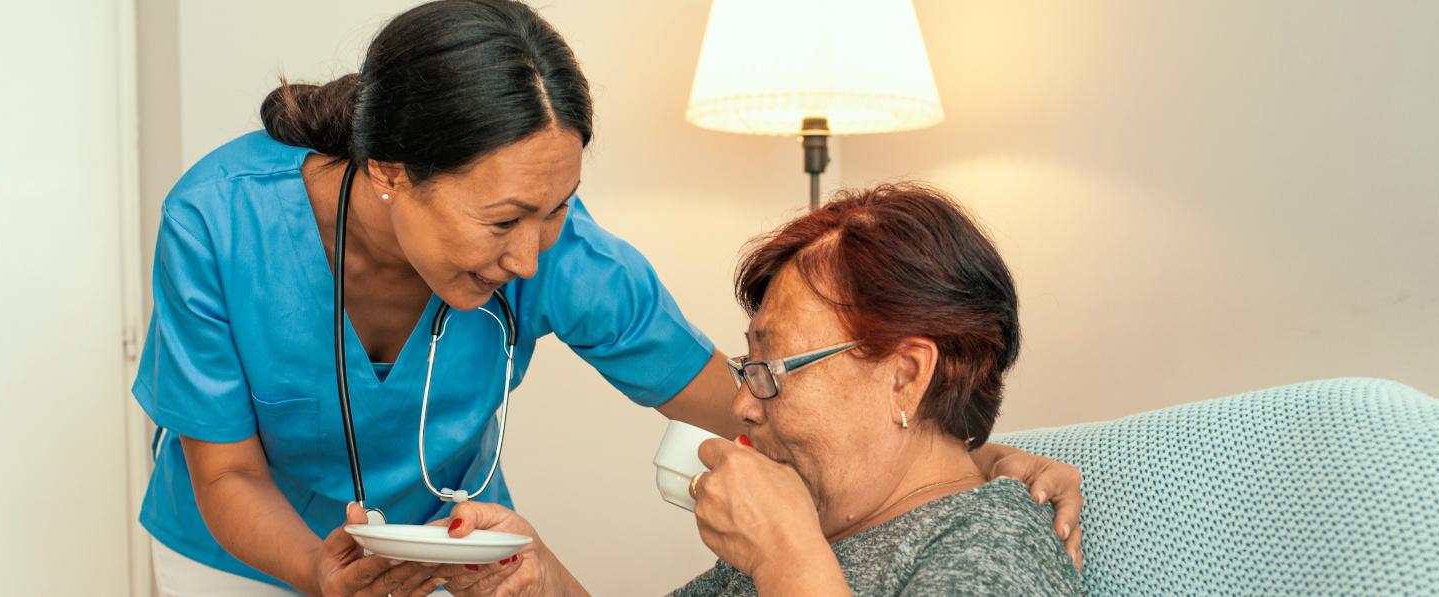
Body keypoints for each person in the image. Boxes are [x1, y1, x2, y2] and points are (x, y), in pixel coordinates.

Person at [134, 1, 1087, 595]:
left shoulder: (559, 249)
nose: (533, 252)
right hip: (252, 551)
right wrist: (316, 570)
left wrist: (952, 444)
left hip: (455, 552)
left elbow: (734, 392)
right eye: (505, 217)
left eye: (558, 208)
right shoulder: (220, 223)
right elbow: (226, 474)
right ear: (389, 174)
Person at [440, 183, 1084, 596]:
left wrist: (785, 559)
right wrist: (541, 578)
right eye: (748, 367)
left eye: (772, 370)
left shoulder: (988, 542)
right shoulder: (819, 527)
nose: (742, 405)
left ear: (906, 378)